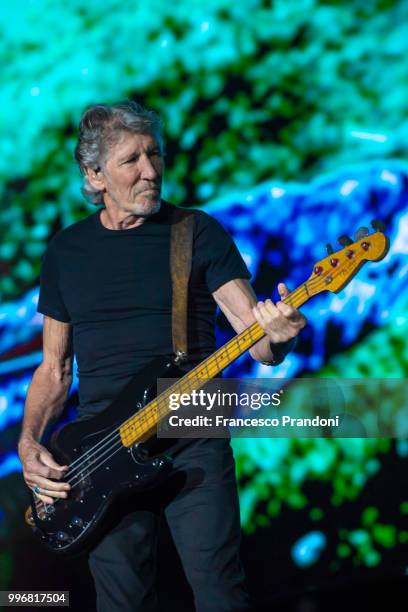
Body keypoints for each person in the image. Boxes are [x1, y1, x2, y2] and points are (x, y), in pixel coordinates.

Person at [18, 101, 306, 611]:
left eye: (155, 154)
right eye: (131, 160)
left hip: (193, 437)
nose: (151, 171)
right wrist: (29, 441)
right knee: (122, 602)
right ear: (94, 173)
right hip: (99, 454)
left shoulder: (196, 233)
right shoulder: (66, 252)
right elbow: (54, 368)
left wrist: (278, 334)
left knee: (221, 594)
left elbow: (257, 343)